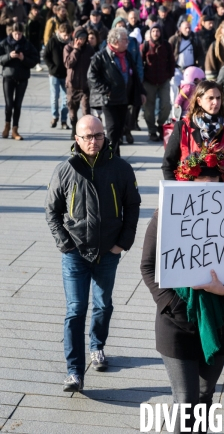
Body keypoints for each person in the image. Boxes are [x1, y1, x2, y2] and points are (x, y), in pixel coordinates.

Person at [140, 166, 224, 434]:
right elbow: (148, 266)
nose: (209, 192)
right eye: (202, 186)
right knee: (186, 402)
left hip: (218, 321)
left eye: (215, 185)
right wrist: (174, 304)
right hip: (177, 324)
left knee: (205, 395)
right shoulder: (164, 216)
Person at [45, 114, 141, 393]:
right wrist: (65, 244)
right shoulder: (65, 170)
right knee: (76, 310)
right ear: (76, 139)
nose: (93, 141)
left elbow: (132, 206)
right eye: (87, 136)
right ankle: (74, 371)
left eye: (98, 135)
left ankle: (97, 346)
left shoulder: (121, 168)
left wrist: (122, 243)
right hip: (74, 253)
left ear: (105, 136)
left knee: (103, 305)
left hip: (108, 252)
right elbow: (51, 211)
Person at [162, 80, 224, 181]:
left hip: (222, 192)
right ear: (199, 101)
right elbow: (168, 164)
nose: (215, 102)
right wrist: (174, 190)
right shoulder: (183, 126)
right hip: (189, 191)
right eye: (210, 98)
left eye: (218, 98)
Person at [87, 28, 146, 155]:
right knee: (112, 129)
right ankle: (111, 157)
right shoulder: (101, 56)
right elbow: (91, 76)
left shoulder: (127, 55)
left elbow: (134, 75)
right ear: (114, 41)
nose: (127, 42)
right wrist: (106, 89)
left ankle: (114, 156)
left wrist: (141, 92)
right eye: (125, 40)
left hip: (123, 97)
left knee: (120, 129)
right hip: (109, 99)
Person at [0, 22, 39, 140]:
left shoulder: (27, 44)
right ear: (11, 32)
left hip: (22, 77)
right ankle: (7, 125)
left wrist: (23, 59)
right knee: (9, 104)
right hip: (8, 76)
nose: (18, 36)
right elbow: (1, 59)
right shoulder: (4, 43)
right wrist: (9, 56)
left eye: (20, 34)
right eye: (16, 34)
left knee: (18, 105)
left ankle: (15, 129)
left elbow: (35, 59)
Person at [141, 23, 175, 142]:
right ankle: (151, 130)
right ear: (150, 33)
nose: (156, 33)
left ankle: (161, 125)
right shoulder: (145, 46)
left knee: (166, 105)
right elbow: (140, 64)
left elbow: (171, 61)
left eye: (158, 31)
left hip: (164, 80)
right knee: (148, 108)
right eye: (153, 31)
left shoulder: (166, 45)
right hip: (149, 81)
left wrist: (170, 75)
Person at [64, 28, 94, 139]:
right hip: (72, 85)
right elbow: (68, 64)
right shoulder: (68, 48)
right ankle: (74, 128)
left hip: (85, 86)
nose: (82, 40)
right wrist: (75, 50)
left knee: (86, 110)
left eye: (84, 38)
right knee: (72, 109)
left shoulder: (89, 49)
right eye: (80, 38)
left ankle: (86, 132)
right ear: (75, 38)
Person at [43, 22, 72, 129]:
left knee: (66, 99)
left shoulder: (70, 43)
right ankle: (55, 116)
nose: (66, 37)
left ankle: (64, 120)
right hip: (54, 74)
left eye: (68, 35)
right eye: (64, 35)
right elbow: (46, 56)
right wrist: (52, 67)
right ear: (59, 33)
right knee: (54, 97)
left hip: (66, 75)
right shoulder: (53, 41)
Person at [168, 19, 201, 105]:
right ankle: (174, 111)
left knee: (190, 93)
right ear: (180, 29)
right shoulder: (174, 39)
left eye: (189, 28)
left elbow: (200, 54)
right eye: (185, 28)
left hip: (190, 71)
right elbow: (168, 54)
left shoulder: (195, 39)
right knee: (175, 90)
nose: (188, 30)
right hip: (177, 69)